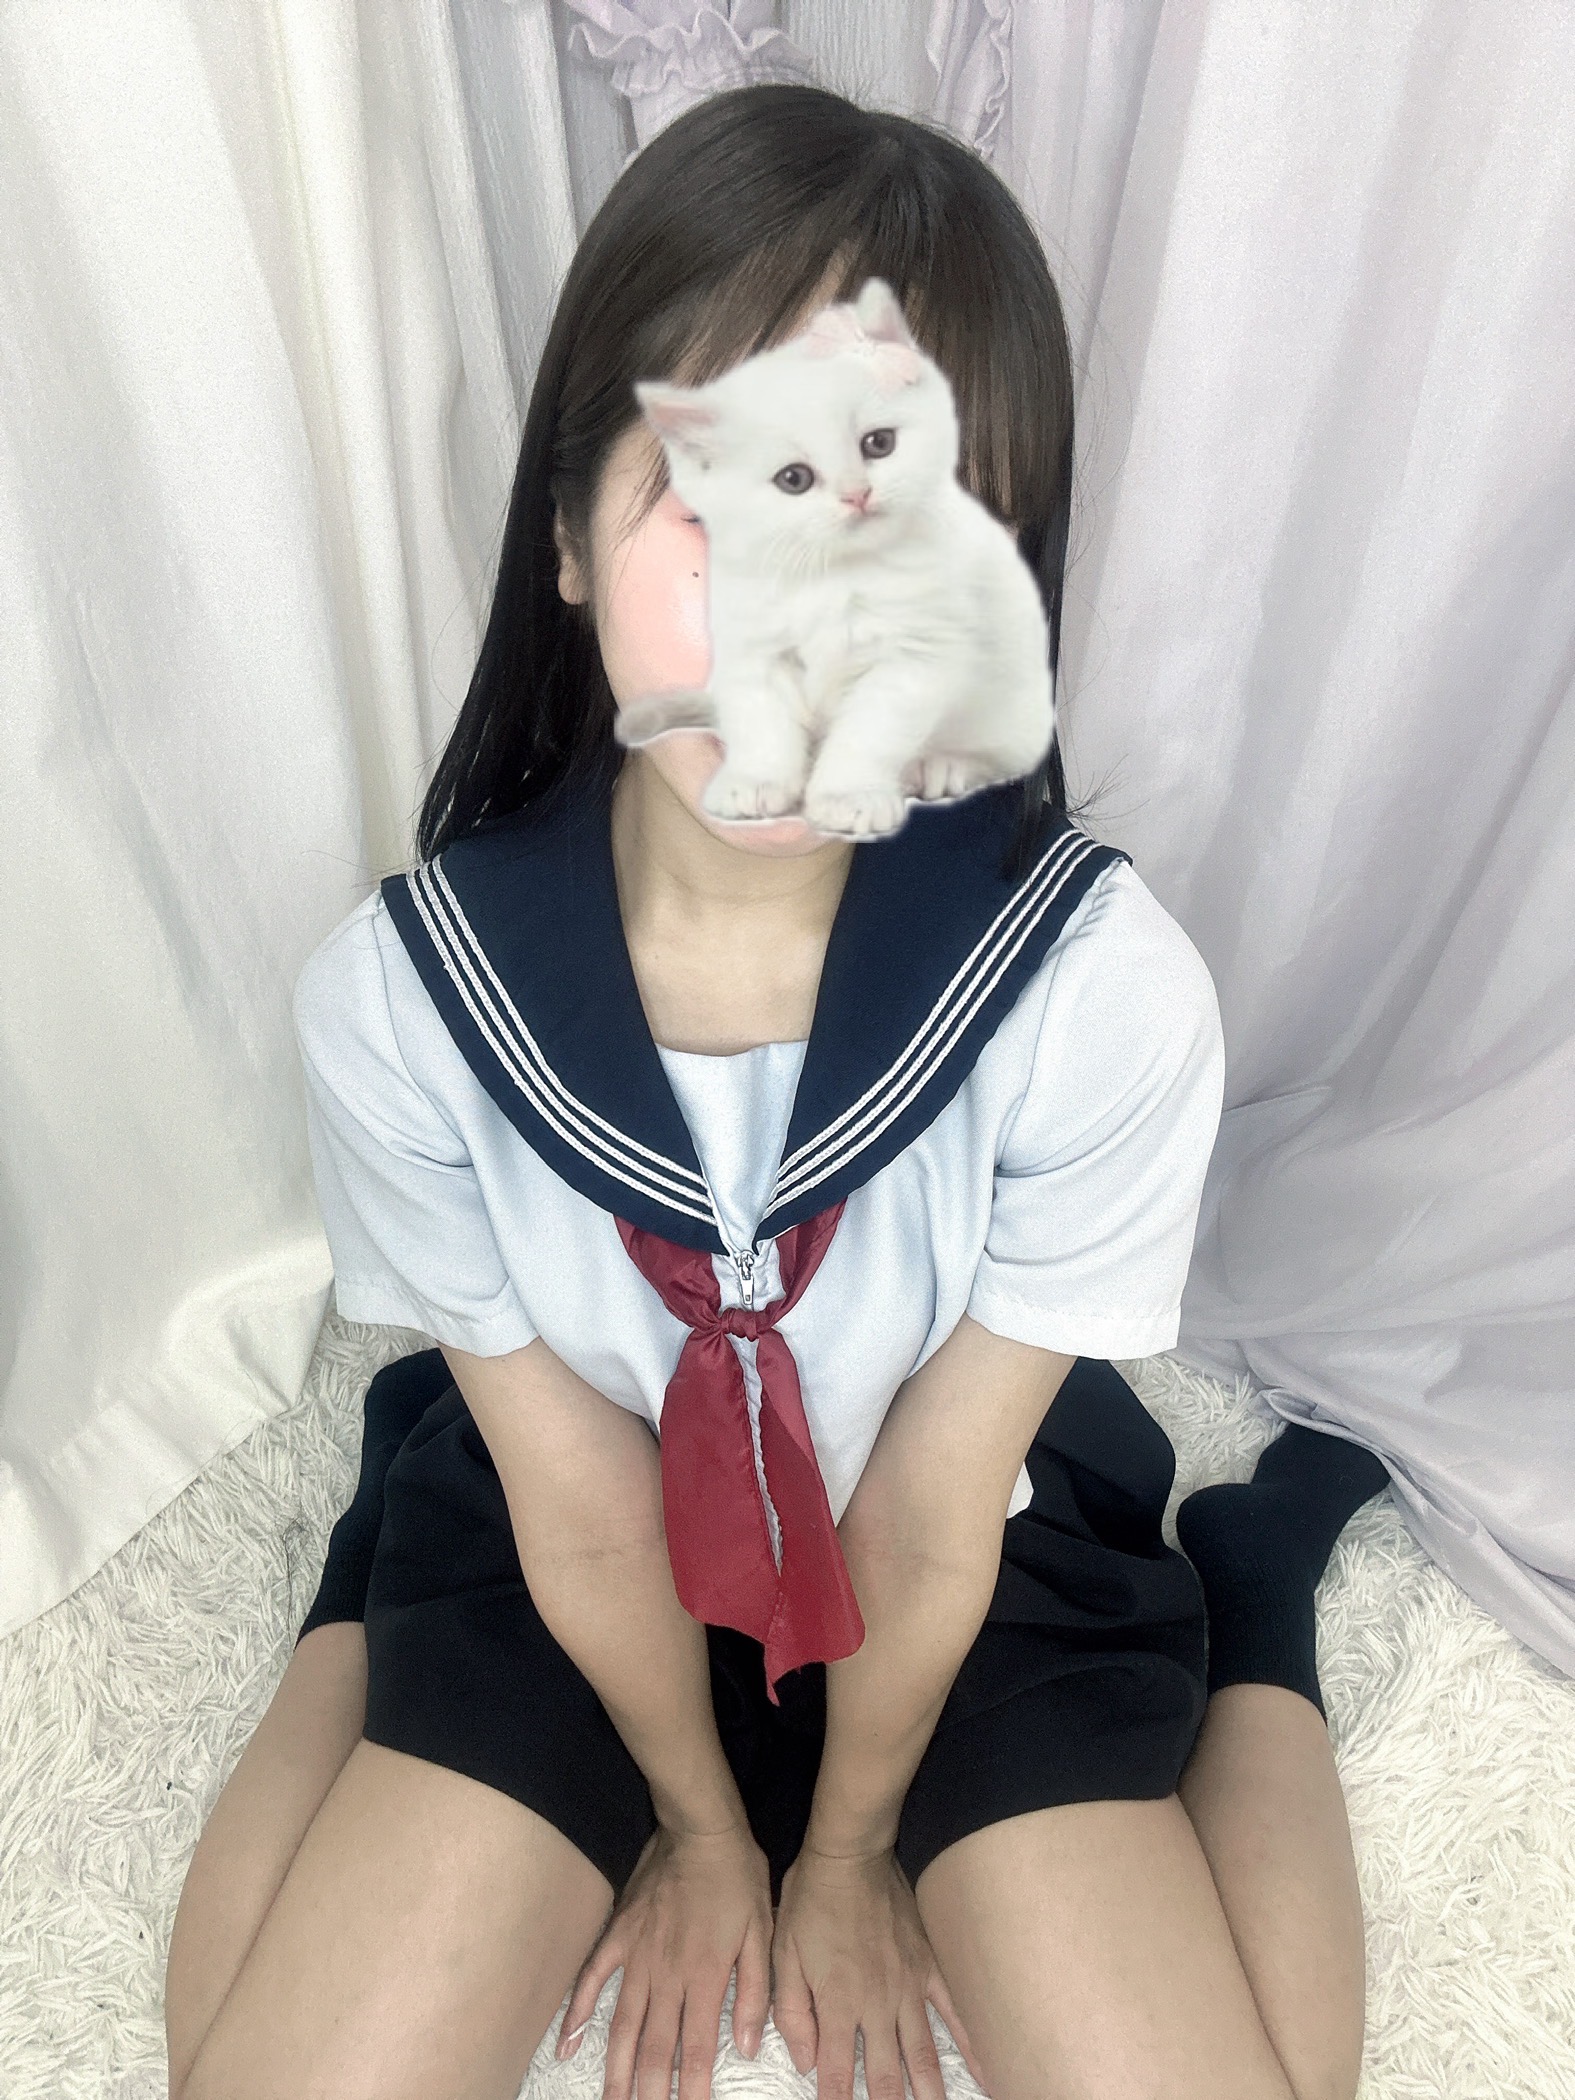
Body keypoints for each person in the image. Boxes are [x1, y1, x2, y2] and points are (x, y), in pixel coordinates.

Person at [165, 84, 1384, 2100]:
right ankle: (371, 1553)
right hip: (590, 1497)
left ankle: (1251, 1596)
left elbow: (927, 1512)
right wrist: (703, 1827)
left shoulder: (1095, 998)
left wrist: (837, 1851)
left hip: (959, 1528)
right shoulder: (401, 1006)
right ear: (568, 536)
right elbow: (580, 1511)